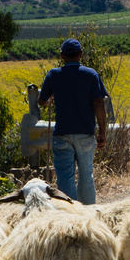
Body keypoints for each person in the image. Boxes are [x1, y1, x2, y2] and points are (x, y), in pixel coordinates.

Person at [37, 38, 108, 204]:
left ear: (62, 56)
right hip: (85, 133)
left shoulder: (53, 74)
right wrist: (102, 132)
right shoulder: (91, 74)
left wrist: (49, 100)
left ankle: (69, 213)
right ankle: (88, 213)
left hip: (62, 134)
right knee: (86, 176)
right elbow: (98, 102)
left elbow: (41, 101)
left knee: (65, 178)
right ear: (81, 54)